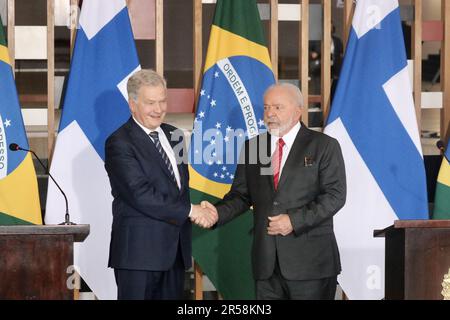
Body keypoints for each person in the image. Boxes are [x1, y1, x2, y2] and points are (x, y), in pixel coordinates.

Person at [201, 83, 346, 300]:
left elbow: (335, 196)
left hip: (311, 264)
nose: (270, 114)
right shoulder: (254, 147)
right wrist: (216, 214)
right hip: (266, 264)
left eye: (278, 107)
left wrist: (294, 221)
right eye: (267, 108)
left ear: (298, 111)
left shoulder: (323, 145)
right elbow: (242, 195)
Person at [105, 69, 215, 300]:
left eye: (163, 101)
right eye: (150, 103)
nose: (158, 109)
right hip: (138, 255)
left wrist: (200, 209)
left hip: (174, 253)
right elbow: (140, 194)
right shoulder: (119, 142)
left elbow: (178, 189)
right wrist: (192, 211)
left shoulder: (174, 135)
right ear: (132, 104)